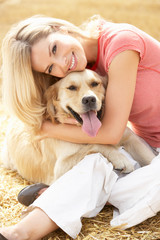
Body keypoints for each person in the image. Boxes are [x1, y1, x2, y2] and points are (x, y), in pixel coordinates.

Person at [1, 14, 160, 240]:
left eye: (54, 48)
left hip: (151, 154)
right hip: (151, 145)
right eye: (50, 68)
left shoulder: (121, 43)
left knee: (107, 168)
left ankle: (62, 192)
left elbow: (114, 133)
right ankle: (20, 233)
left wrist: (45, 129)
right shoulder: (87, 64)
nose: (62, 65)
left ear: (60, 28)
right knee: (95, 164)